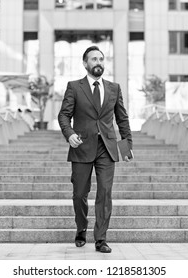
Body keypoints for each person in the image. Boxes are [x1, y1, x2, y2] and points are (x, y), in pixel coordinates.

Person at [58, 46, 133, 253]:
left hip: (107, 148)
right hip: (82, 146)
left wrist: (126, 146)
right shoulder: (74, 87)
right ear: (85, 63)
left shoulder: (114, 88)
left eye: (101, 58)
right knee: (79, 193)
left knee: (105, 193)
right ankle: (81, 227)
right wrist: (69, 133)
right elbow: (64, 115)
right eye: (94, 59)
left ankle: (101, 239)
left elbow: (122, 118)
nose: (98, 62)